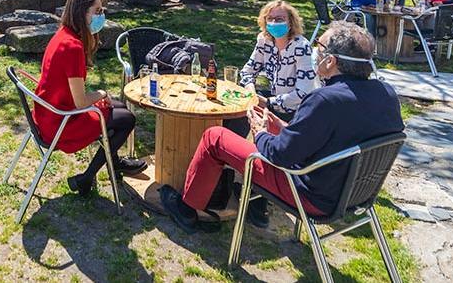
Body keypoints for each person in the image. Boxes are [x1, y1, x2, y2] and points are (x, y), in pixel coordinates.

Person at [160, 22, 403, 232]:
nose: (315, 52)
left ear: (331, 61)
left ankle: (187, 207)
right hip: (353, 192)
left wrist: (261, 132)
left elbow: (279, 155)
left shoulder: (325, 100)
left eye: (320, 46)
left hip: (307, 192)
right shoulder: (387, 94)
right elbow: (334, 138)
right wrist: (283, 127)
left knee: (215, 137)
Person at [34, 0, 146, 195]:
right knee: (127, 119)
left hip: (48, 112)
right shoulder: (73, 47)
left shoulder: (62, 34)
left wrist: (104, 98)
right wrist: (103, 94)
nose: (101, 15)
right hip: (61, 121)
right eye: (97, 11)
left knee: (118, 108)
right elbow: (80, 102)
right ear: (81, 13)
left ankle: (115, 163)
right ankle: (86, 177)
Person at [226, 0, 316, 225]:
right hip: (270, 99)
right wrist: (251, 91)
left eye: (280, 19)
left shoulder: (301, 46)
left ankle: (259, 202)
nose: (275, 23)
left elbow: (303, 93)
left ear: (291, 22)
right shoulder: (264, 40)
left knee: (267, 143)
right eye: (271, 18)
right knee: (233, 121)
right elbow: (248, 70)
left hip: (295, 109)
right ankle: (231, 175)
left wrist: (268, 103)